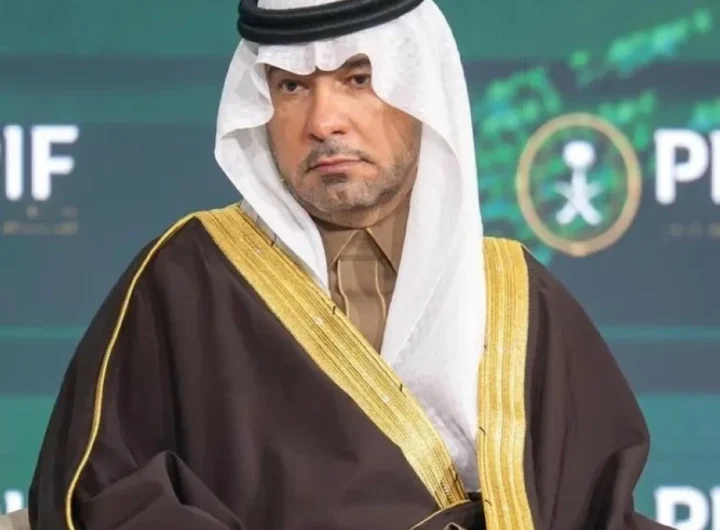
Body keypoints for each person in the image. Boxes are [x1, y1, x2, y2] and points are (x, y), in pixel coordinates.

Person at [27, 0, 671, 529]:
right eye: (291, 87)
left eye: (358, 79)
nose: (323, 121)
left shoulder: (516, 294)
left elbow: (600, 511)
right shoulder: (186, 281)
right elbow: (102, 495)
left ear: (421, 89)